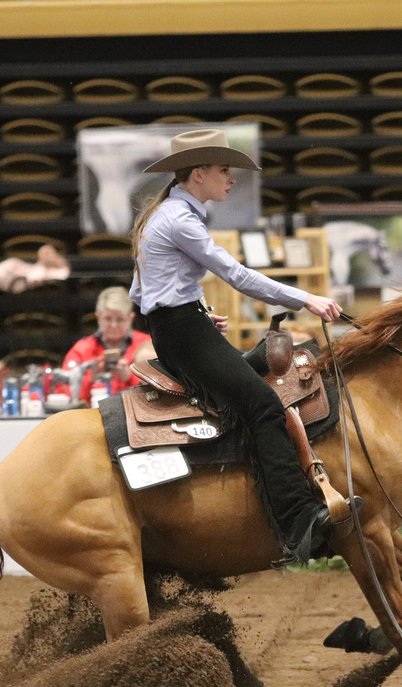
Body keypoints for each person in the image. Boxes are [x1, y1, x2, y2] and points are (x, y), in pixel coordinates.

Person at [130, 128, 344, 564]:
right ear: (198, 173)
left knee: (262, 372)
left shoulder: (164, 216)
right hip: (184, 333)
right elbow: (238, 275)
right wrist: (306, 298)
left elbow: (141, 291)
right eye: (224, 170)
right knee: (264, 406)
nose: (230, 179)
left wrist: (197, 311)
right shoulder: (181, 220)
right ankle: (297, 520)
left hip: (181, 328)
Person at [58, 286, 152, 406]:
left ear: (130, 318)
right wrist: (91, 379)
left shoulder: (147, 346)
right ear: (98, 317)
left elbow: (163, 389)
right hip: (92, 416)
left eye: (120, 319)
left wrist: (129, 377)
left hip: (139, 416)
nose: (113, 325)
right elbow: (63, 394)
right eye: (108, 318)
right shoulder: (81, 349)